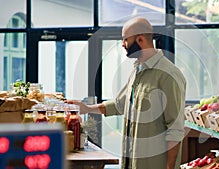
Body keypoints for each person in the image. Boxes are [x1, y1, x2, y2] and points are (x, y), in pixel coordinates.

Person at [67, 17, 186, 169]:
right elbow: (119, 105)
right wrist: (87, 109)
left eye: (125, 40)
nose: (123, 44)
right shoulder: (137, 70)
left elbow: (175, 129)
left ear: (140, 39)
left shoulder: (169, 75)